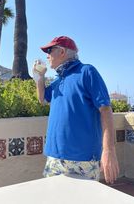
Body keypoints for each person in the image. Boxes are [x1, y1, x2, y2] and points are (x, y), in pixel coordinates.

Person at [33, 36, 119, 184]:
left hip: (83, 159)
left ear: (61, 52)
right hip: (54, 158)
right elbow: (42, 99)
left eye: (49, 50)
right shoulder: (57, 80)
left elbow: (105, 110)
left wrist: (108, 150)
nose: (47, 55)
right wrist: (39, 77)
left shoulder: (87, 72)